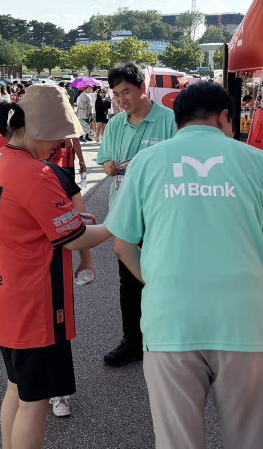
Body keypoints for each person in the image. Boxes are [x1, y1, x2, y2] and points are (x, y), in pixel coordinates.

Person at [106, 81, 263, 449]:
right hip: (245, 323)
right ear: (225, 117)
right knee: (251, 440)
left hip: (171, 323)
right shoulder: (258, 162)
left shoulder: (146, 163)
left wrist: (158, 281)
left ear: (177, 120)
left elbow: (122, 245)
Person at [0, 86, 109, 448]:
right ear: (39, 130)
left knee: (17, 391)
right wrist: (119, 224)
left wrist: (70, 218)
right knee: (34, 405)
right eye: (58, 137)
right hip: (34, 304)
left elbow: (24, 220)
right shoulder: (36, 173)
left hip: (4, 295)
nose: (61, 145)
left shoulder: (0, 160)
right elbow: (75, 237)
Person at [96, 63, 177, 366]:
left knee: (162, 273)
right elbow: (105, 158)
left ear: (142, 87)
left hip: (160, 214)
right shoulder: (116, 123)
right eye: (116, 95)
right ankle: (132, 340)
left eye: (126, 92)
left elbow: (176, 164)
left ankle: (165, 336)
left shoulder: (169, 120)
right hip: (125, 213)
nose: (121, 99)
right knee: (129, 282)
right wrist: (108, 166)